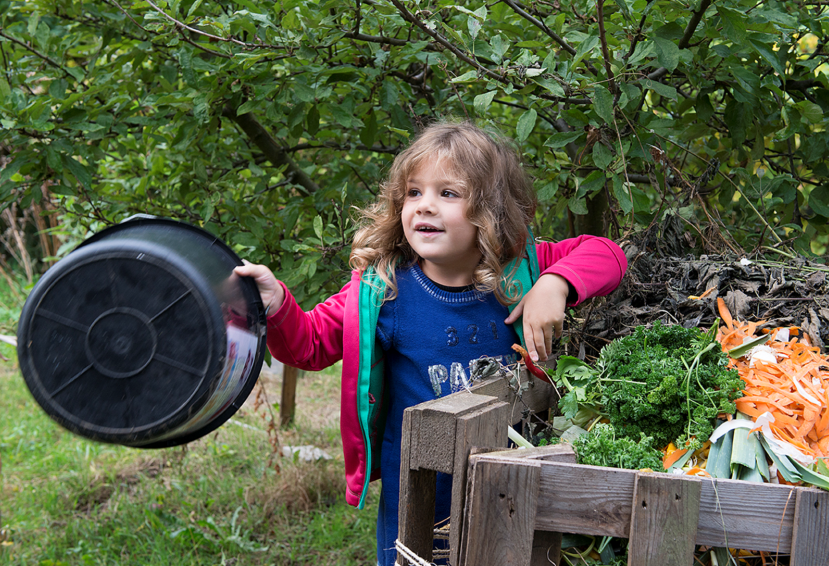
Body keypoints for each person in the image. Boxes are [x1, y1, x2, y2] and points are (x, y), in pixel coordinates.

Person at [235, 121, 627, 565]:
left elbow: (608, 253)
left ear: (492, 209)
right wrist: (275, 302)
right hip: (419, 495)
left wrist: (556, 285)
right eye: (414, 192)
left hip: (515, 485)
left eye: (448, 194)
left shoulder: (524, 272)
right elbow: (307, 346)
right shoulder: (383, 292)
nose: (424, 207)